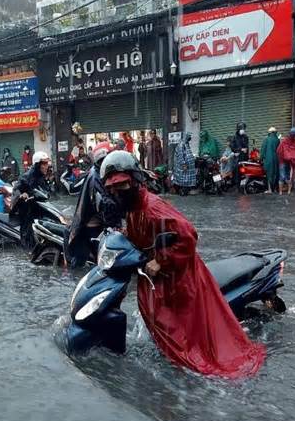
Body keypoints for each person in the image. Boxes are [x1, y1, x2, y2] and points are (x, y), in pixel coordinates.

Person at [99, 151, 266, 378]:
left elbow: (188, 234)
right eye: (112, 188)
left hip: (179, 279)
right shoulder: (134, 209)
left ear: (135, 180)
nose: (116, 192)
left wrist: (161, 259)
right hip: (159, 280)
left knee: (190, 339)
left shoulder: (152, 207)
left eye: (121, 186)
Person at [66, 141, 121, 268]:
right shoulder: (95, 177)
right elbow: (104, 203)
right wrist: (116, 223)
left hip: (93, 223)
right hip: (90, 226)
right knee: (96, 261)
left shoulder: (101, 174)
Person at [11, 151, 51, 249]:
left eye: (47, 163)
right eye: (44, 163)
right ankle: (26, 250)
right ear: (38, 164)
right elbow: (16, 189)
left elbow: (45, 190)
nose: (46, 166)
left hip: (38, 207)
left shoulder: (41, 176)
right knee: (27, 230)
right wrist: (22, 194)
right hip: (26, 208)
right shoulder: (27, 176)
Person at [277, 127, 295, 195]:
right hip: (282, 161)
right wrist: (289, 156)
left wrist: (293, 158)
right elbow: (279, 150)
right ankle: (280, 192)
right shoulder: (284, 141)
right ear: (293, 135)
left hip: (290, 162)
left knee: (288, 176)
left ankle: (289, 191)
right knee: (282, 176)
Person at [261, 127, 280, 194]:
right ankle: (275, 189)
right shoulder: (277, 140)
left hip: (268, 159)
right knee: (275, 173)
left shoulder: (266, 139)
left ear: (269, 132)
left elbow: (263, 150)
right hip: (276, 159)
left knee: (269, 174)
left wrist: (261, 158)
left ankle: (270, 190)